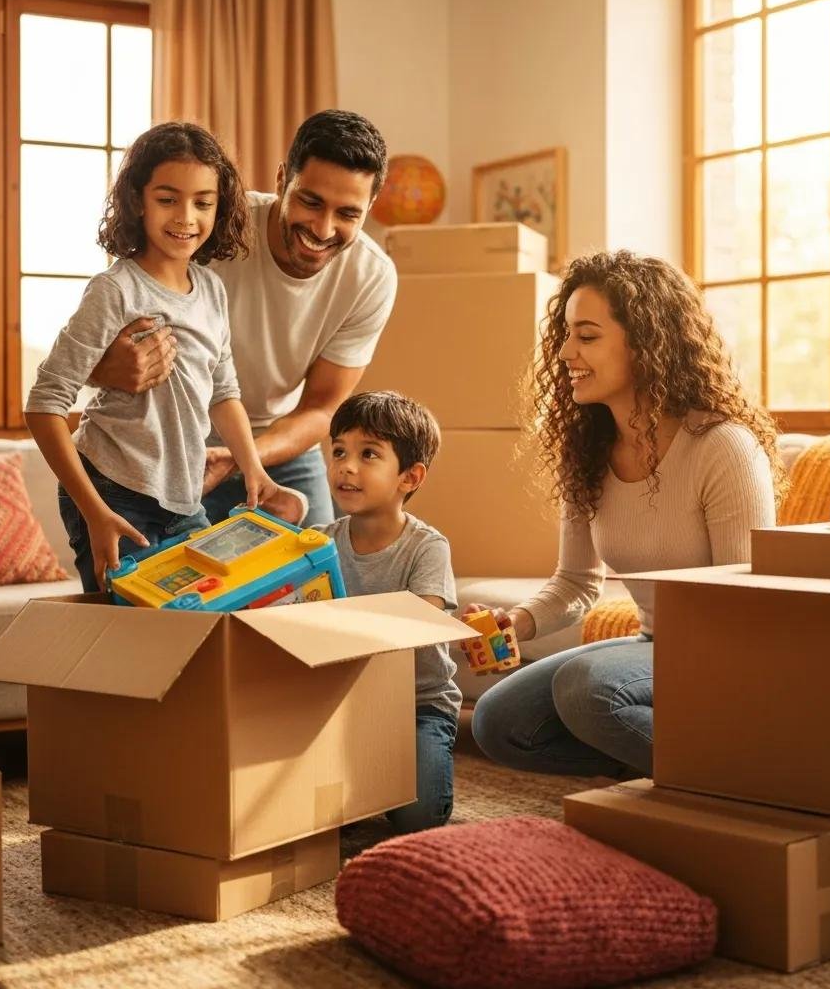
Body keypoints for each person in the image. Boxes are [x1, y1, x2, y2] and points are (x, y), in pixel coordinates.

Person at [468, 249, 786, 778]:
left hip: (729, 655)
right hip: (653, 647)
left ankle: (745, 777)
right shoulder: (588, 450)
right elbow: (575, 582)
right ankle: (666, 772)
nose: (566, 351)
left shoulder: (722, 446)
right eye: (566, 333)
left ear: (646, 345)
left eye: (587, 336)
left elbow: (748, 607)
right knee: (498, 721)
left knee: (587, 686)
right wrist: (515, 623)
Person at [87, 109, 397, 526]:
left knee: (319, 576)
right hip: (175, 438)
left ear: (370, 206)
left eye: (348, 214)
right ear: (282, 179)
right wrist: (107, 366)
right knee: (176, 584)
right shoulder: (210, 227)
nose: (324, 228)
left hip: (279, 443)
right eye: (310, 201)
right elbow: (91, 351)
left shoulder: (371, 276)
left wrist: (242, 455)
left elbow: (323, 408)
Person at [25, 121, 284, 593]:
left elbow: (224, 392)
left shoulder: (211, 289)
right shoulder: (114, 290)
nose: (186, 216)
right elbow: (44, 404)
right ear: (137, 201)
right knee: (131, 643)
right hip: (111, 493)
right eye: (168, 199)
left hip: (184, 504)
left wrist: (254, 468)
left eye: (203, 202)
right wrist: (95, 513)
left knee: (200, 628)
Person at [313, 391, 460, 834]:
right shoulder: (320, 542)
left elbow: (418, 624)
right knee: (310, 807)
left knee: (418, 815)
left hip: (417, 705)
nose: (346, 466)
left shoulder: (427, 547)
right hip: (340, 705)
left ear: (409, 477)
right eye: (338, 451)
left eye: (368, 454)